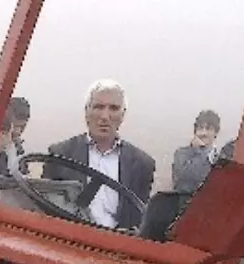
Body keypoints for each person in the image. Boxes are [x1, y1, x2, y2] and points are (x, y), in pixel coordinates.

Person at [42, 79, 155, 230]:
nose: (105, 116)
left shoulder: (142, 164)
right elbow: (44, 209)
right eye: (98, 107)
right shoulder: (60, 154)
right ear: (87, 112)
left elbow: (138, 219)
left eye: (113, 108)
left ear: (123, 115)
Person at [171, 109, 221, 194]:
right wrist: (201, 152)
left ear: (215, 132)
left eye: (208, 129)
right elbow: (184, 182)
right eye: (200, 128)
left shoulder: (221, 159)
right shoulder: (181, 154)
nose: (203, 133)